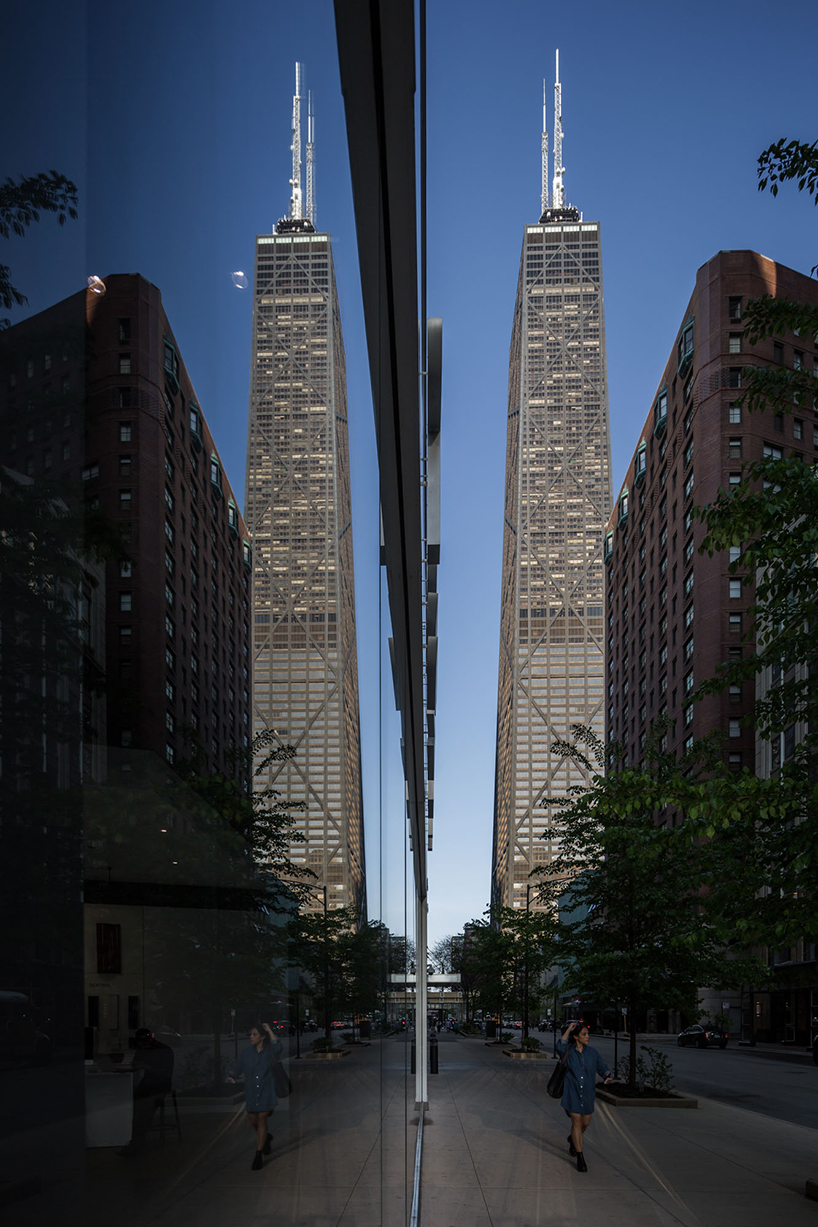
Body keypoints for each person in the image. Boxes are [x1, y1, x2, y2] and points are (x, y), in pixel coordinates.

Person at [556, 1020, 612, 1172]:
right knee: (576, 1120)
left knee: (585, 1123)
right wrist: (569, 1029)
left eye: (587, 1034)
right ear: (576, 1037)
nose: (588, 1037)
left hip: (587, 1094)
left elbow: (602, 1067)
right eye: (584, 1034)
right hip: (572, 1092)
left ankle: (572, 1139)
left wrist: (607, 1074)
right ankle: (580, 1156)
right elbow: (559, 1045)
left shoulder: (592, 1053)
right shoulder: (568, 1051)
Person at [226, 1022, 284, 1170]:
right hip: (251, 1092)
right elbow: (238, 1067)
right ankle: (266, 1137)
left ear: (262, 1037)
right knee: (253, 1120)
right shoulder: (246, 1053)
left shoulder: (269, 1052)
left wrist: (269, 1030)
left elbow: (278, 1046)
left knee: (262, 1118)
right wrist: (231, 1076)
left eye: (254, 1034)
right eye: (251, 1034)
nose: (251, 1037)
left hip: (266, 1091)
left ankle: (258, 1154)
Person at [118, 1028, 174, 1155]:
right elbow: (136, 1064)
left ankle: (137, 1142)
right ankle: (136, 1140)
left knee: (143, 1109)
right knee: (139, 1106)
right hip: (149, 1084)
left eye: (143, 1043)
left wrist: (146, 1067)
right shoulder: (146, 1049)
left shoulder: (163, 1050)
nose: (142, 1045)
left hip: (159, 1085)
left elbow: (165, 1073)